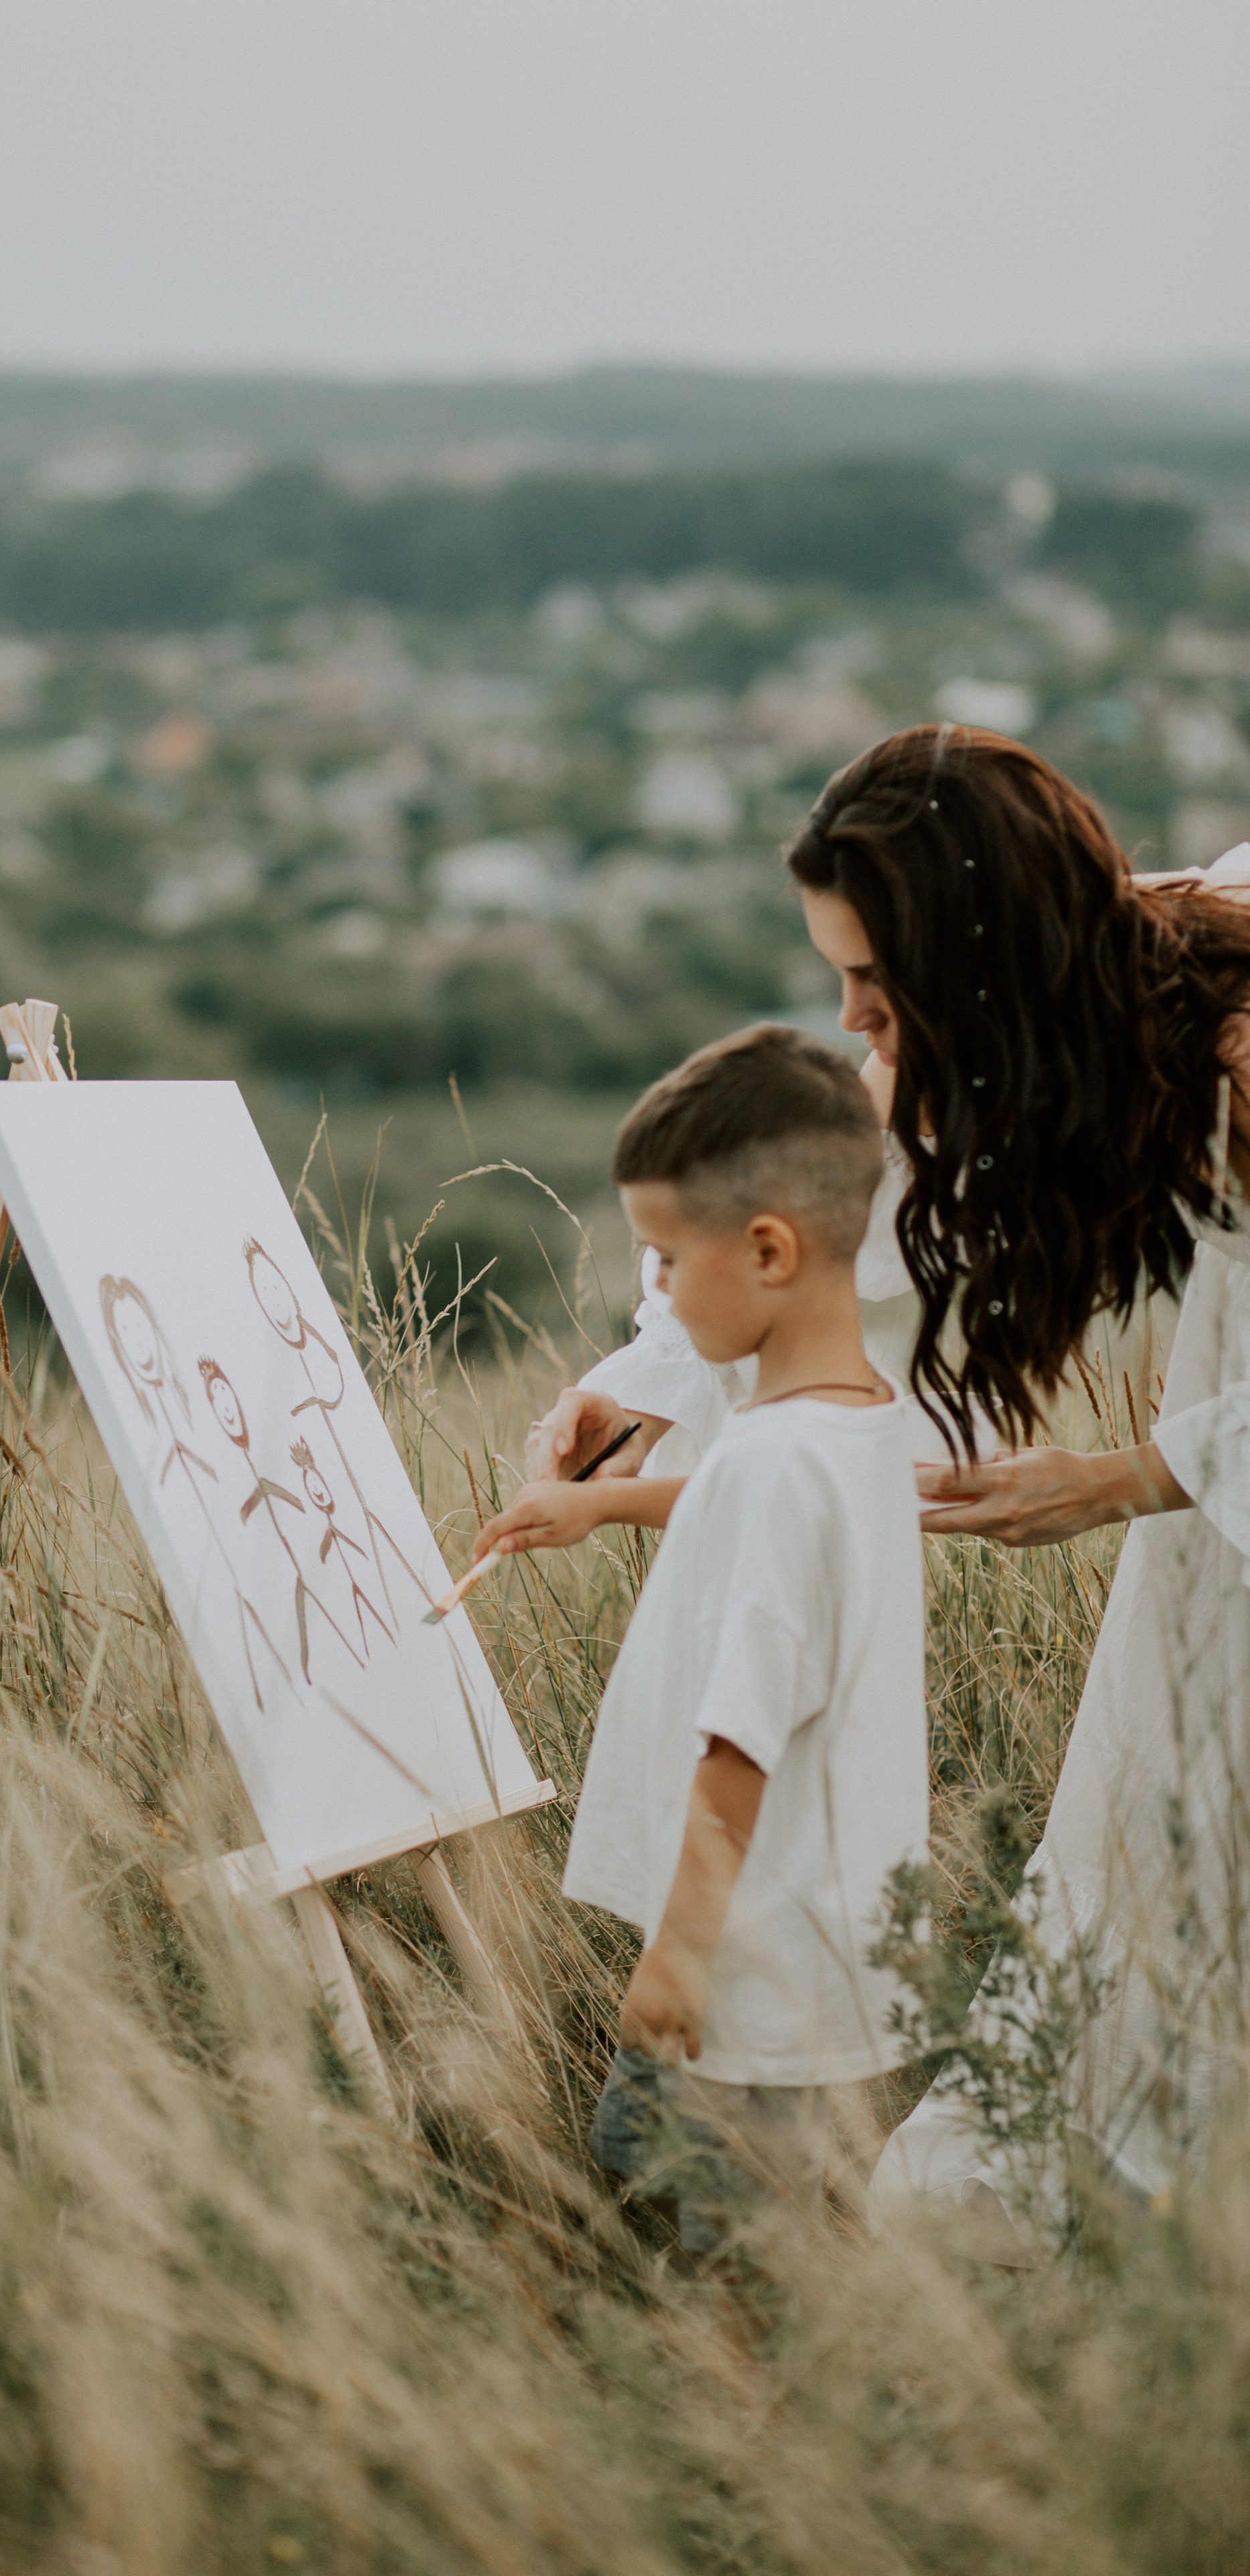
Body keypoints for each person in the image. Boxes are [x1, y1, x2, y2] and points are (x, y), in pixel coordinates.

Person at [529, 722, 1250, 2231]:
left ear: (983, 957)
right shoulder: (1053, 1010)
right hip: (1216, 1486)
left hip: (1212, 1466)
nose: (854, 1019)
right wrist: (640, 1382)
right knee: (1146, 1839)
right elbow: (835, 1194)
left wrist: (1126, 1476)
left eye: (875, 981)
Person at [475, 1024, 927, 2251]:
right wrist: (600, 1499)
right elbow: (734, 1491)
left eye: (669, 1261)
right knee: (765, 2215)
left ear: (770, 1249)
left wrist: (677, 1955)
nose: (656, 1296)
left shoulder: (777, 1465)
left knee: (696, 2217)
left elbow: (740, 1740)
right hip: (816, 1946)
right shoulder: (861, 1425)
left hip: (743, 1963)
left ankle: (749, 2418)